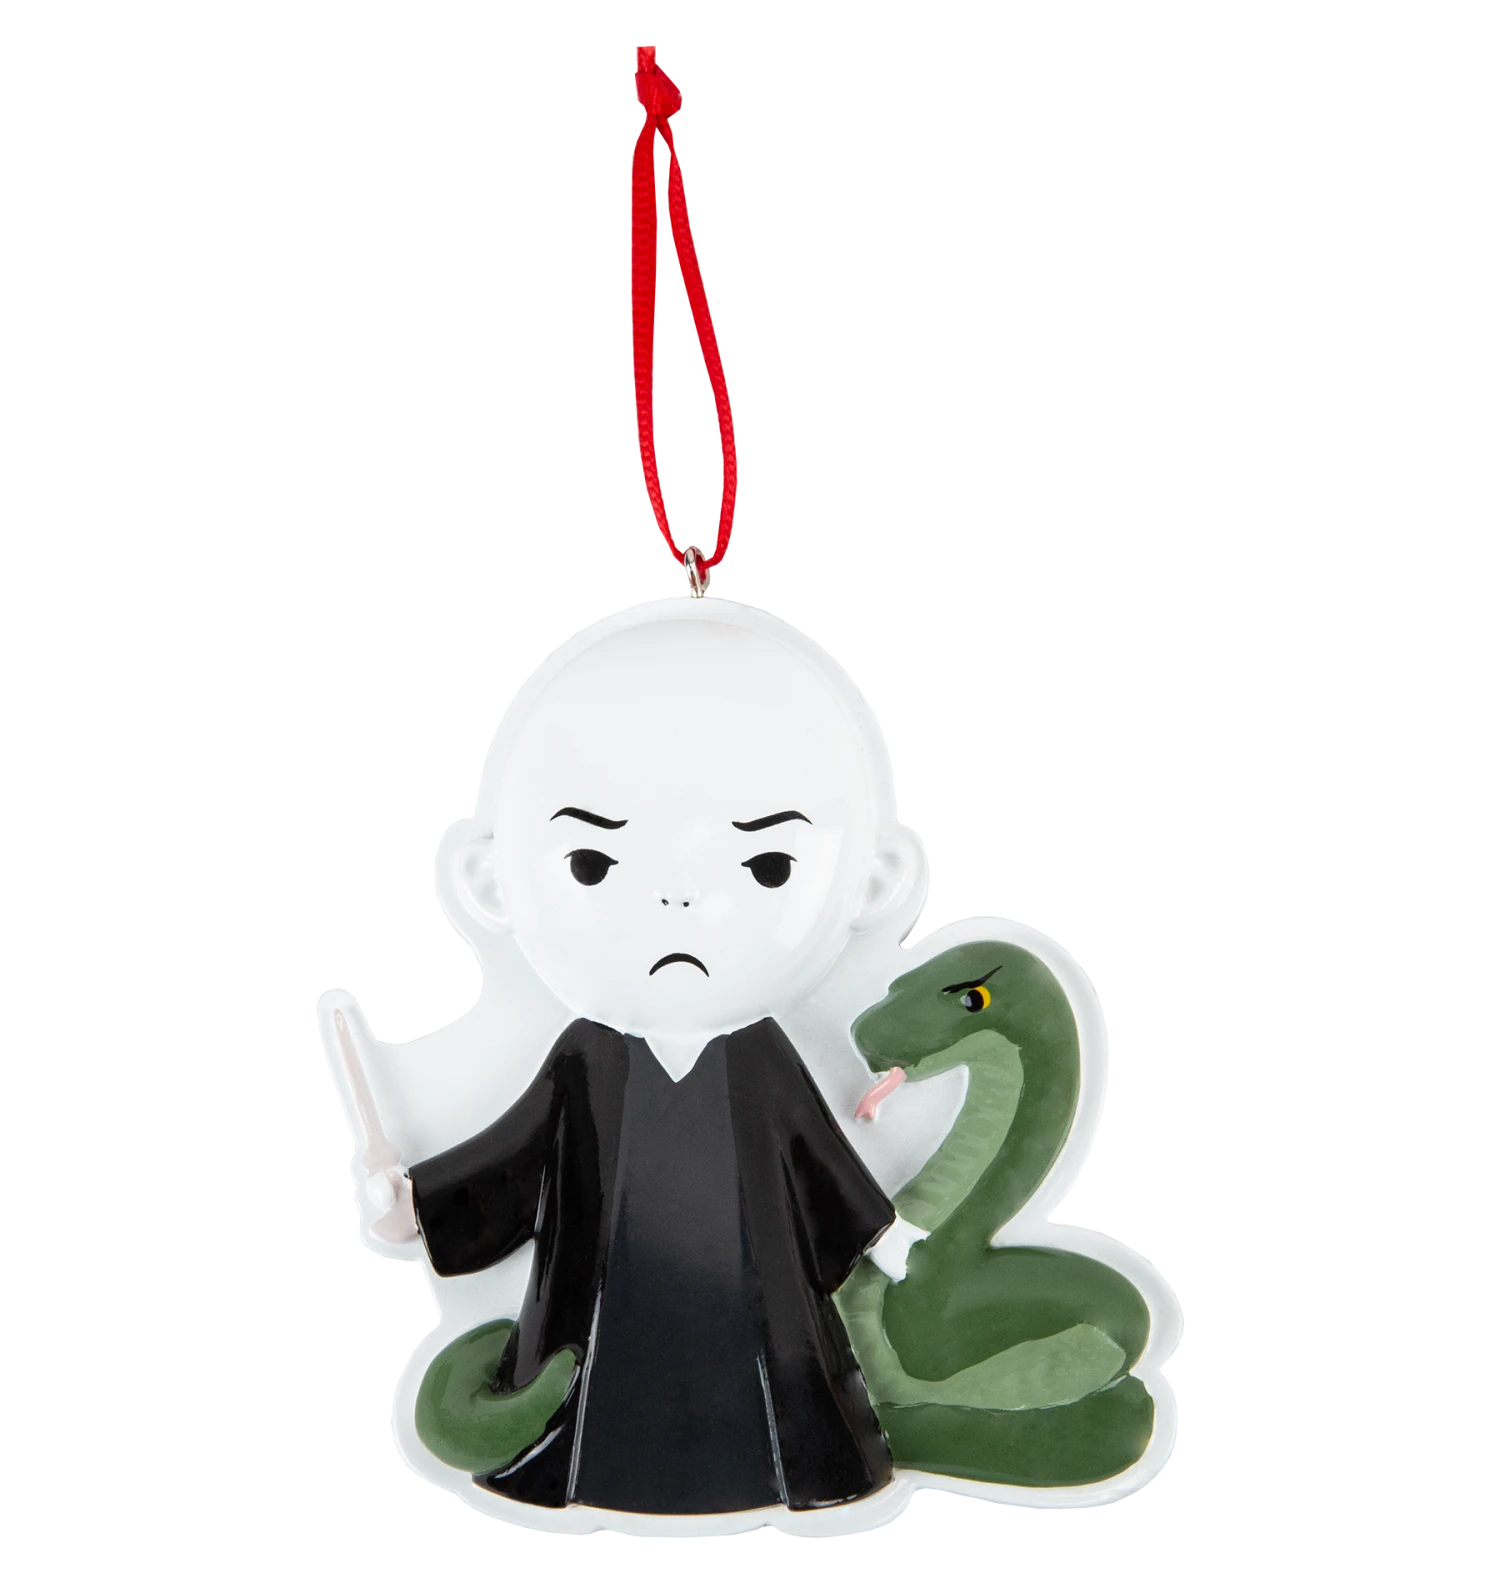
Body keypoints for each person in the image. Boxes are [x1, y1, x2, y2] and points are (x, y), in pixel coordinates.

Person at [363, 606, 930, 1515]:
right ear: (495, 883)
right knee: (593, 1392)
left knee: (775, 1390)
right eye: (593, 861)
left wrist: (887, 1236)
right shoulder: (588, 1055)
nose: (678, 898)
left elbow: (816, 1157)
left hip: (756, 1313)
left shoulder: (758, 1051)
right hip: (603, 1307)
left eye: (767, 865)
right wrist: (419, 1209)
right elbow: (518, 1157)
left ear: (871, 881)